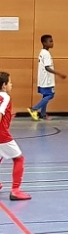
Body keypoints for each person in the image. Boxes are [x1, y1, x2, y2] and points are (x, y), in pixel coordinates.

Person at [0, 72, 31, 200]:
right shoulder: (5, 97)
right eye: (10, 82)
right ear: (4, 85)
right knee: (19, 158)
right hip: (2, 136)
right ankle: (15, 190)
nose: (11, 85)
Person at [28, 35, 66, 121]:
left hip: (43, 79)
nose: (52, 43)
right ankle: (34, 109)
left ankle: (43, 114)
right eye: (50, 41)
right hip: (47, 80)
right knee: (50, 95)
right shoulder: (46, 54)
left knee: (45, 96)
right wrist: (59, 74)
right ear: (44, 43)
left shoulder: (42, 52)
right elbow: (47, 67)